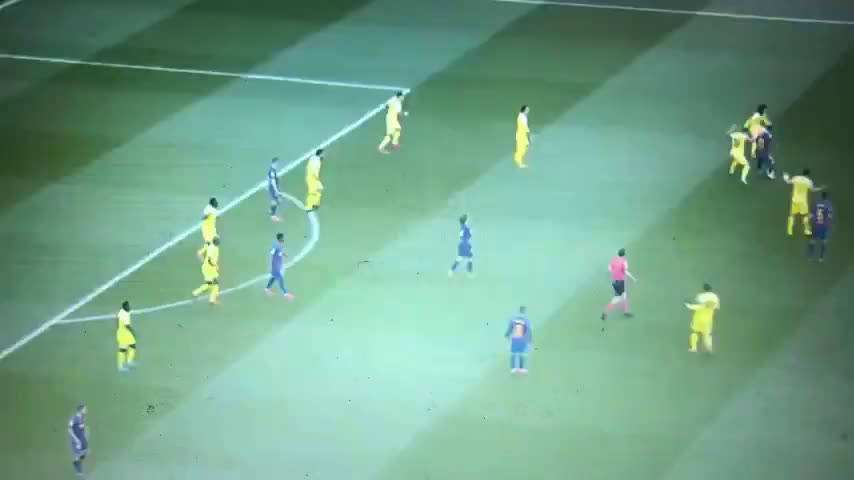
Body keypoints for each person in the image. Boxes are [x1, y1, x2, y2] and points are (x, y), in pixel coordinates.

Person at [601, 248, 637, 320]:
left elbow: (609, 268)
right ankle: (605, 312)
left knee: (624, 297)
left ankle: (625, 312)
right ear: (624, 254)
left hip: (615, 281)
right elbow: (626, 272)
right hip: (620, 282)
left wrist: (615, 273)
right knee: (617, 299)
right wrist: (633, 278)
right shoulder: (624, 262)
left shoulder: (614, 259)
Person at [685, 283, 720, 353]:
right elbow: (716, 308)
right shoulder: (715, 297)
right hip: (708, 319)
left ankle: (693, 348)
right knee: (707, 334)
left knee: (694, 332)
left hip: (698, 318)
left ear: (704, 289)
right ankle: (709, 348)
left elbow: (696, 306)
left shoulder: (700, 296)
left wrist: (687, 305)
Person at [505, 306, 532, 373]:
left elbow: (510, 328)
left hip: (515, 338)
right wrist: (529, 339)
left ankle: (513, 368)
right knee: (521, 354)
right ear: (524, 311)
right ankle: (521, 368)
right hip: (522, 339)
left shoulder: (514, 319)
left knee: (514, 354)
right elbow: (528, 330)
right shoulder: (526, 320)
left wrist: (507, 334)